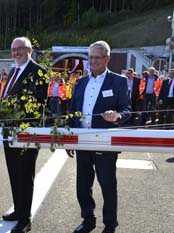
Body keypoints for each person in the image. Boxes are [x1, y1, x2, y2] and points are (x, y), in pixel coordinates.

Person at [67, 41, 131, 233]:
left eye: (97, 57)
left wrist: (117, 116)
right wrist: (69, 138)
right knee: (83, 185)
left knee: (107, 185)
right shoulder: (80, 82)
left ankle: (110, 224)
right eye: (91, 57)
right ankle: (88, 219)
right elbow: (73, 111)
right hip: (82, 141)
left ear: (107, 59)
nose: (93, 61)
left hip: (104, 142)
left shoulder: (118, 81)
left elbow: (127, 109)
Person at [0, 37, 48, 233]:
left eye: (19, 49)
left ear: (29, 50)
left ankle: (25, 219)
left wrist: (12, 114)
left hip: (26, 132)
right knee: (14, 173)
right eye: (13, 49)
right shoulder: (14, 69)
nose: (16, 53)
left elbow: (38, 104)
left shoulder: (39, 71)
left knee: (25, 176)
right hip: (8, 131)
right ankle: (18, 210)